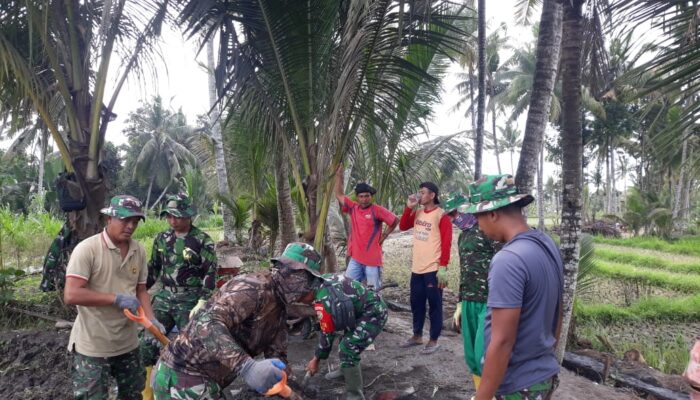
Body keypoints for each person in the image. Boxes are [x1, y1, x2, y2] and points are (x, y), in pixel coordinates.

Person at [151, 242, 323, 400]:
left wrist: (294, 392)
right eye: (309, 281)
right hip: (182, 375)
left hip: (207, 380)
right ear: (292, 273)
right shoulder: (252, 289)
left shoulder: (279, 307)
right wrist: (247, 366)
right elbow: (207, 323)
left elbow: (277, 357)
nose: (310, 289)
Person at [465, 175, 563, 400]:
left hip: (517, 385)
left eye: (477, 218)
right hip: (543, 375)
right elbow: (559, 310)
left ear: (492, 213)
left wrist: (483, 397)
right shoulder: (546, 244)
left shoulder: (508, 260)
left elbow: (502, 340)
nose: (478, 227)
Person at [63, 195, 163, 400]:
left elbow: (141, 290)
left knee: (132, 394)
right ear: (109, 219)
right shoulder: (87, 250)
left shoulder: (138, 250)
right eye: (124, 220)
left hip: (128, 343)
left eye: (134, 221)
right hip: (93, 345)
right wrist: (115, 299)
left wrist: (151, 321)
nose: (130, 226)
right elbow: (71, 294)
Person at [140, 193, 218, 397]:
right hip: (165, 298)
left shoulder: (202, 241)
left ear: (188, 216)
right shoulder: (162, 239)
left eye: (177, 216)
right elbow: (154, 269)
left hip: (190, 299)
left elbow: (210, 272)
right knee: (146, 342)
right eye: (169, 216)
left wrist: (203, 300)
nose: (173, 221)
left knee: (192, 347)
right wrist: (137, 291)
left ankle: (192, 391)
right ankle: (148, 393)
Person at [443, 193, 501, 390]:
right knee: (471, 356)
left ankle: (492, 392)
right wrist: (460, 302)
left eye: (454, 213)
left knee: (483, 353)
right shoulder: (463, 236)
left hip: (490, 300)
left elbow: (503, 265)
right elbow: (464, 270)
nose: (453, 219)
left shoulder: (488, 232)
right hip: (469, 300)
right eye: (449, 216)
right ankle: (481, 393)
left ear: (467, 209)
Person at [305, 274, 388, 400]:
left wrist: (316, 359)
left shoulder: (325, 298)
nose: (302, 301)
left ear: (308, 291)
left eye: (302, 298)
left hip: (374, 312)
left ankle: (355, 396)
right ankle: (345, 369)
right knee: (344, 340)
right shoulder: (321, 282)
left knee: (348, 347)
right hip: (358, 311)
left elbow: (328, 332)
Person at [398, 182, 452, 354]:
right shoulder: (419, 212)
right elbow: (403, 226)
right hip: (417, 268)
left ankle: (434, 339)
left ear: (432, 195)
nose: (419, 195)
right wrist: (409, 208)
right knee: (416, 303)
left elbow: (447, 242)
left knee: (434, 305)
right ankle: (417, 336)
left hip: (433, 268)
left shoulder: (441, 215)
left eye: (422, 193)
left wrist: (443, 266)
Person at [334, 166, 398, 290]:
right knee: (348, 287)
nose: (364, 199)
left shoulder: (377, 210)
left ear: (371, 197)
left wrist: (384, 235)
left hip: (373, 260)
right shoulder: (353, 208)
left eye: (367, 196)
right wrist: (339, 175)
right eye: (361, 196)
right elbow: (339, 194)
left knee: (374, 291)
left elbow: (395, 220)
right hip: (356, 259)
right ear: (357, 197)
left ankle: (376, 309)